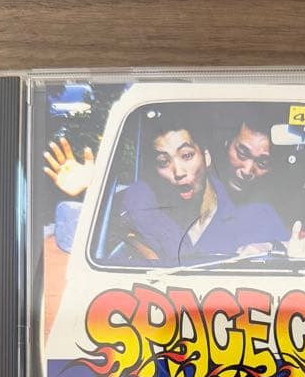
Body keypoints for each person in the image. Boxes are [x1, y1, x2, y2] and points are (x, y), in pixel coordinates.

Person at [122, 113, 287, 264]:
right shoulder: (141, 198)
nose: (178, 172)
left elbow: (288, 252)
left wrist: (273, 247)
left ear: (207, 157)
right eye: (164, 162)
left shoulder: (260, 216)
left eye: (187, 155)